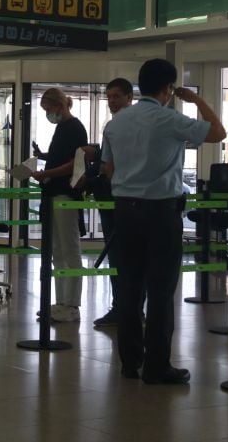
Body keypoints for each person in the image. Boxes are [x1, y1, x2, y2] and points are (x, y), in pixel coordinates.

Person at [102, 59, 225, 384]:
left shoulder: (116, 123)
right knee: (160, 290)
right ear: (169, 89)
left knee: (129, 287)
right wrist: (197, 101)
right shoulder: (169, 118)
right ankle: (157, 366)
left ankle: (130, 363)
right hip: (159, 211)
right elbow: (218, 133)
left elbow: (109, 169)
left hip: (124, 211)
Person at [29, 88, 88, 323]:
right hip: (53, 194)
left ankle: (72, 304)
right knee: (57, 250)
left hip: (65, 194)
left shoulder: (74, 128)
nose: (48, 115)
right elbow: (62, 157)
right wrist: (44, 159)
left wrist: (48, 173)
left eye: (48, 110)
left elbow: (75, 163)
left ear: (60, 106)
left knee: (70, 248)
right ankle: (61, 300)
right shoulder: (62, 128)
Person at [80, 77, 134, 327]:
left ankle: (124, 307)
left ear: (129, 97)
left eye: (116, 96)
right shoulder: (116, 125)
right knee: (125, 254)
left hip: (119, 197)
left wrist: (99, 167)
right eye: (109, 96)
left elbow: (110, 167)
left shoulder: (115, 127)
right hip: (130, 197)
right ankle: (127, 306)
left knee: (121, 254)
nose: (112, 101)